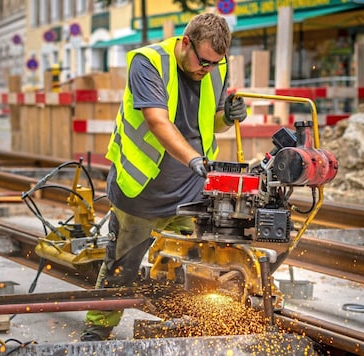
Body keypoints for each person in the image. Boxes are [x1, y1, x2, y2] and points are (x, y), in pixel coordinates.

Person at [80, 12, 247, 341]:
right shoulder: (148, 62)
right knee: (121, 268)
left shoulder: (216, 66)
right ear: (185, 43)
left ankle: (189, 327)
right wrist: (194, 159)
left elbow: (207, 121)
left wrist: (227, 118)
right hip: (143, 189)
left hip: (190, 189)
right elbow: (158, 121)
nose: (208, 69)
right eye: (204, 61)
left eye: (215, 63)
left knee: (195, 266)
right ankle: (97, 331)